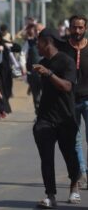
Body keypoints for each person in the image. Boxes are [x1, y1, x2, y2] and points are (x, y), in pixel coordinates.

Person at [33, 28, 81, 208]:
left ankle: (74, 187)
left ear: (47, 42)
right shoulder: (42, 62)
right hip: (46, 119)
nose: (36, 45)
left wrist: (49, 74)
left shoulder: (66, 61)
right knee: (46, 158)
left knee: (70, 156)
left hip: (65, 119)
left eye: (38, 42)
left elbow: (67, 86)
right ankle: (50, 195)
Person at [61, 14, 88, 189]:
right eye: (74, 27)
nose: (77, 31)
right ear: (69, 28)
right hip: (70, 101)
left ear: (85, 28)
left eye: (80, 27)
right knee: (74, 140)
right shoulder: (63, 49)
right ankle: (81, 174)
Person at [22, 23, 42, 115]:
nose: (38, 32)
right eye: (36, 30)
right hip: (34, 73)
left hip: (47, 74)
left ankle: (46, 114)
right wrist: (23, 67)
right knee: (36, 96)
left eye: (40, 30)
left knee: (47, 95)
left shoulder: (50, 41)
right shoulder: (29, 43)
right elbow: (22, 55)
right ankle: (38, 113)